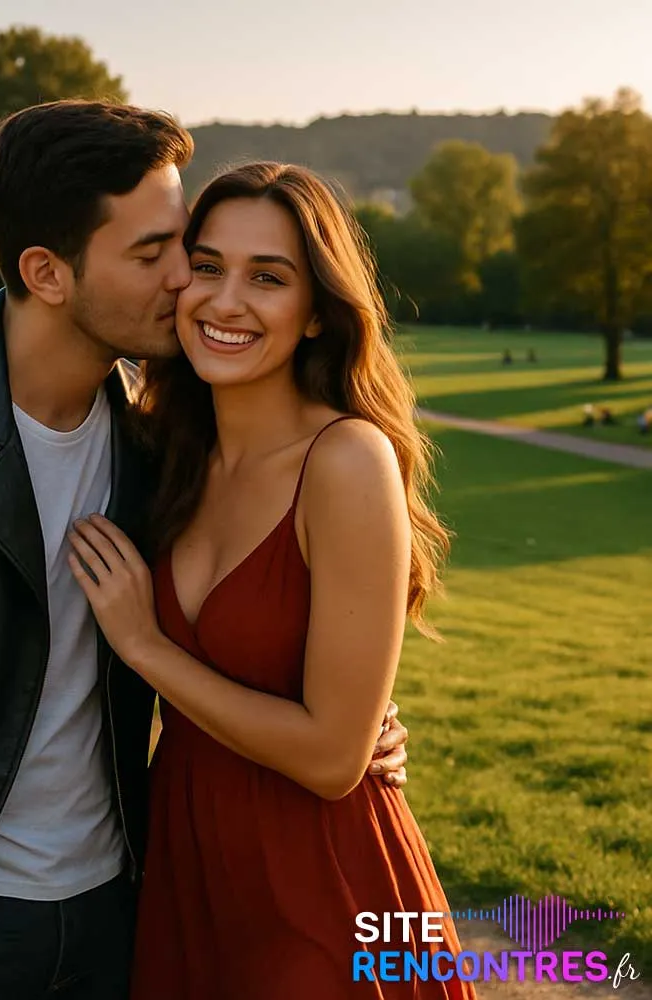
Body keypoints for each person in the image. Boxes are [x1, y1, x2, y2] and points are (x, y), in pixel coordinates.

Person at [0, 102, 409, 1000]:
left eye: (189, 246)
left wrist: (354, 715)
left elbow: (269, 607)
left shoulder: (154, 441)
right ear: (46, 273)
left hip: (122, 908)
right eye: (159, 254)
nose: (189, 281)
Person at [68, 162, 473, 998]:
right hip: (189, 869)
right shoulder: (163, 451)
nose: (224, 301)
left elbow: (333, 759)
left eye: (269, 278)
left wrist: (145, 645)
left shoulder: (346, 460)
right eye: (207, 266)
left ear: (319, 312)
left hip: (324, 880)